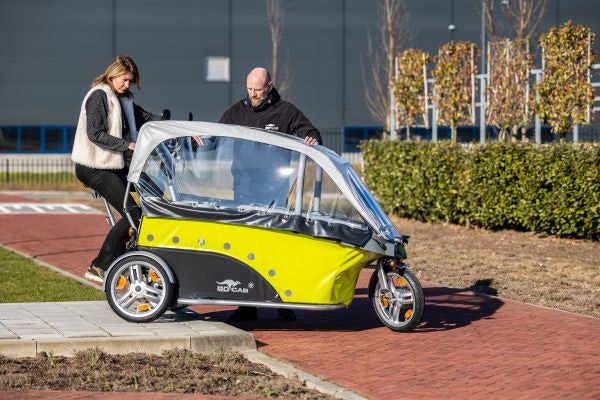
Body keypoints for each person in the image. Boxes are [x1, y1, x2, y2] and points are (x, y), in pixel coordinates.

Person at [218, 67, 322, 322]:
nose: (253, 94)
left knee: (276, 245)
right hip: (243, 189)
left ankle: (282, 302)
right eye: (249, 89)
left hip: (275, 190)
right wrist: (200, 139)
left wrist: (311, 139)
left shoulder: (286, 111)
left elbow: (311, 132)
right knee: (244, 246)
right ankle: (246, 305)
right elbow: (216, 133)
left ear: (269, 86)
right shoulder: (237, 111)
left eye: (257, 89)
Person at [71, 55, 163, 283]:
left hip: (113, 165)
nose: (127, 85)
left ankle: (125, 258)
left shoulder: (125, 101)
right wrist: (127, 144)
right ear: (112, 74)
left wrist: (176, 127)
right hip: (93, 166)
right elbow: (96, 134)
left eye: (131, 81)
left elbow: (148, 119)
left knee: (149, 204)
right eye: (124, 80)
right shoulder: (99, 96)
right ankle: (99, 266)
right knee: (134, 212)